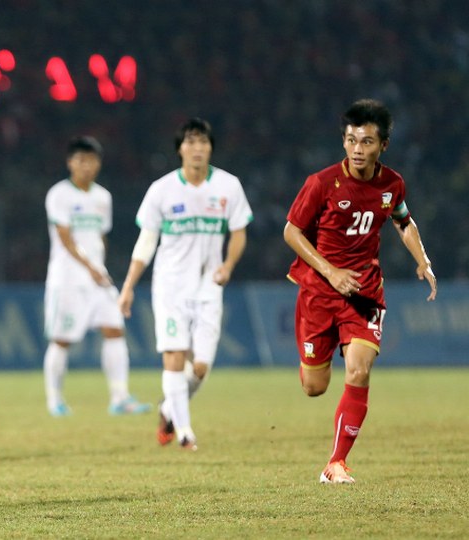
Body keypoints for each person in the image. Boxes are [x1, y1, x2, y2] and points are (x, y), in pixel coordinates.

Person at [283, 98, 437, 484]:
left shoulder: (392, 184)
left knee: (359, 369)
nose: (357, 149)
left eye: (366, 142)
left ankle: (337, 463)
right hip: (319, 292)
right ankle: (317, 357)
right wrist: (331, 272)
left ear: (383, 145)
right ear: (343, 142)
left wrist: (423, 260)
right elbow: (292, 232)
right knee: (314, 387)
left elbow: (403, 220)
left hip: (364, 292)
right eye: (351, 140)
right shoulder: (321, 184)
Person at [118, 118, 253, 450]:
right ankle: (184, 433)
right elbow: (146, 242)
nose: (197, 148)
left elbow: (238, 232)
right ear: (180, 149)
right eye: (190, 142)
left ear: (211, 148)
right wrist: (129, 285)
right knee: (175, 357)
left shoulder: (228, 186)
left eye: (203, 142)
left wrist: (228, 265)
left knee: (200, 368)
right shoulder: (161, 190)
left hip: (209, 288)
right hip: (171, 287)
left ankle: (168, 409)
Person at [43, 135, 151, 417]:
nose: (86, 166)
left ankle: (120, 398)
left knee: (115, 330)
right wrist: (90, 267)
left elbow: (100, 237)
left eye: (91, 161)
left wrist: (98, 267)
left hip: (97, 279)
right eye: (80, 160)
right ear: (70, 163)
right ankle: (55, 400)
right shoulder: (59, 194)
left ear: (99, 164)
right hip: (67, 280)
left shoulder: (103, 197)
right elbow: (65, 238)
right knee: (62, 339)